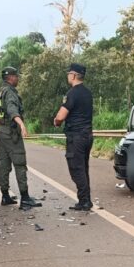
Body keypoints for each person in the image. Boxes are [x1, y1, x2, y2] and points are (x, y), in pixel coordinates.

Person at [0, 66, 42, 210]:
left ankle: (5, 196)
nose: (18, 78)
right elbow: (12, 109)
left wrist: (0, 123)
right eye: (16, 76)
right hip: (11, 134)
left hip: (2, 133)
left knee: (4, 164)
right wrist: (21, 125)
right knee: (19, 163)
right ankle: (25, 198)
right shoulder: (10, 92)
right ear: (10, 77)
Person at [54, 63, 94, 211]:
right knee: (83, 168)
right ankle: (85, 199)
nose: (68, 76)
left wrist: (57, 121)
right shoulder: (88, 93)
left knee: (76, 169)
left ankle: (84, 201)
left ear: (74, 75)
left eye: (69, 73)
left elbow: (61, 115)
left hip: (76, 136)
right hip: (87, 135)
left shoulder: (72, 93)